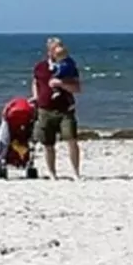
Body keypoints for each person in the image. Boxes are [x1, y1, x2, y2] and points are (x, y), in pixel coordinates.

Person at [31, 37, 83, 179]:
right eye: (56, 48)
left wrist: (61, 84)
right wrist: (36, 97)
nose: (60, 50)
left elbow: (77, 88)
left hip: (65, 109)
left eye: (61, 46)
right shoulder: (40, 67)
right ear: (50, 51)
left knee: (71, 140)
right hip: (45, 109)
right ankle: (52, 173)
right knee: (48, 143)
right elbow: (35, 82)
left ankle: (76, 172)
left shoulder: (69, 66)